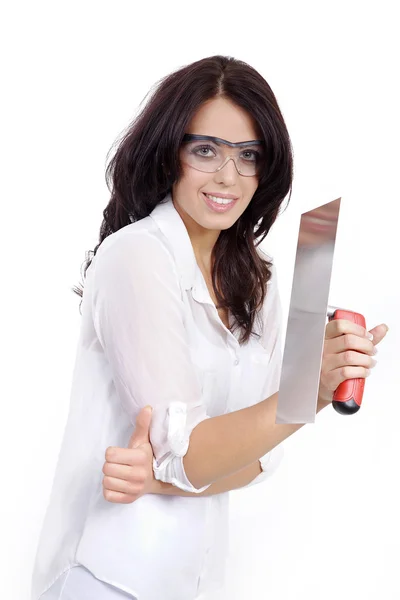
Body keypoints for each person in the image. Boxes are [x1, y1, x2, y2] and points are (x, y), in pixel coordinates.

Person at [30, 55, 388, 600]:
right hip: (106, 575)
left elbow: (257, 458)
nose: (229, 176)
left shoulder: (256, 278)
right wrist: (301, 392)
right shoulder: (137, 256)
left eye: (249, 156)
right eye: (206, 151)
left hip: (193, 582)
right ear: (167, 152)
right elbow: (198, 456)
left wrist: (312, 391)